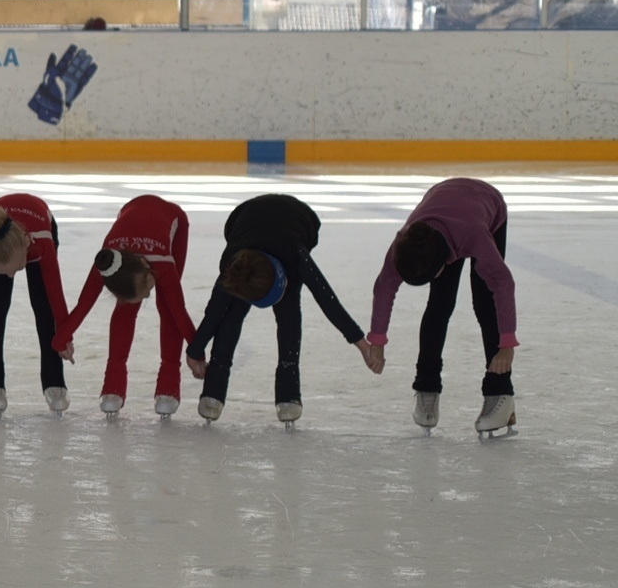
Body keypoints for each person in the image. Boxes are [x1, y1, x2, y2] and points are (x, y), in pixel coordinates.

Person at [184, 192, 372, 425]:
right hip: (242, 222)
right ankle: (213, 391)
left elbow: (326, 298)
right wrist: (194, 352)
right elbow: (214, 312)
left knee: (289, 316)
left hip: (300, 221)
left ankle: (288, 393)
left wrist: (361, 343)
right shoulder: (234, 266)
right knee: (231, 312)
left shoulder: (295, 255)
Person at [367, 177, 515, 437]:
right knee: (439, 304)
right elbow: (384, 286)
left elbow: (503, 283)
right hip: (443, 204)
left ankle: (500, 393)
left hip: (485, 206)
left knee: (484, 303)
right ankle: (427, 387)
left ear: (442, 263)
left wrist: (507, 346)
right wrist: (377, 340)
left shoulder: (475, 236)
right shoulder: (407, 241)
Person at [55, 193, 197, 417]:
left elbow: (180, 312)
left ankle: (169, 383)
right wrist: (60, 340)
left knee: (168, 306)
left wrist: (196, 353)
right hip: (130, 215)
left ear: (145, 265)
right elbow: (83, 306)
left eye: (148, 287)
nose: (149, 294)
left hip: (174, 220)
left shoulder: (162, 263)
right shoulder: (106, 264)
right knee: (125, 307)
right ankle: (113, 384)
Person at [0, 191, 72, 416]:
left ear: (26, 243)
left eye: (17, 268)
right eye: (6, 271)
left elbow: (56, 298)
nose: (11, 276)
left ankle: (55, 382)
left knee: (44, 309)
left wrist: (65, 338)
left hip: (40, 232)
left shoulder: (43, 245)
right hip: (1, 242)